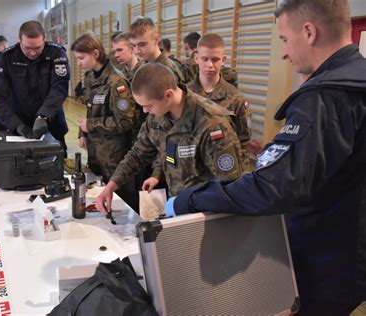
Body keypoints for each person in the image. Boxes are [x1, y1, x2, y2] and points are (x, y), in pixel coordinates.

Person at [168, 0, 366, 314]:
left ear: (309, 32)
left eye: (285, 40)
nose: (285, 52)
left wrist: (191, 200)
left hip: (327, 259)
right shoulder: (356, 81)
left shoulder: (325, 98)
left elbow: (273, 186)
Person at [95, 63, 245, 213]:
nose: (145, 111)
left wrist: (189, 205)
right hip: (178, 205)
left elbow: (230, 185)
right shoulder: (157, 116)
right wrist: (111, 186)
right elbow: (137, 154)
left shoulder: (212, 125)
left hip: (203, 214)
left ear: (168, 95)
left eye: (148, 105)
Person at [71, 32, 138, 210]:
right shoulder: (90, 77)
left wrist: (91, 126)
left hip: (114, 158)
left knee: (120, 207)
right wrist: (83, 133)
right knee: (99, 204)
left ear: (95, 53)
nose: (79, 63)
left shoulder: (117, 82)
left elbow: (125, 122)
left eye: (81, 58)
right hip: (95, 153)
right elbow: (89, 108)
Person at [0, 21, 70, 149]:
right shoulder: (7, 58)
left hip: (50, 122)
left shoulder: (56, 53)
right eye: (27, 48)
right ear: (19, 40)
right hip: (16, 125)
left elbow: (59, 88)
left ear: (44, 39)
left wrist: (44, 115)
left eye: (38, 48)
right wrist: (15, 124)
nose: (32, 53)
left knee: (54, 163)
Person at [187, 33, 253, 166]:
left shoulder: (236, 99)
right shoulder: (184, 94)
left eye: (215, 59)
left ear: (223, 60)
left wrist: (236, 173)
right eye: (204, 59)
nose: (210, 65)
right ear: (196, 58)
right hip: (189, 172)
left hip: (221, 172)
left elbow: (244, 142)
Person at [129, 17, 185, 84]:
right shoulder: (140, 65)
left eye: (142, 45)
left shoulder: (168, 69)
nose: (137, 51)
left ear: (156, 39)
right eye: (134, 45)